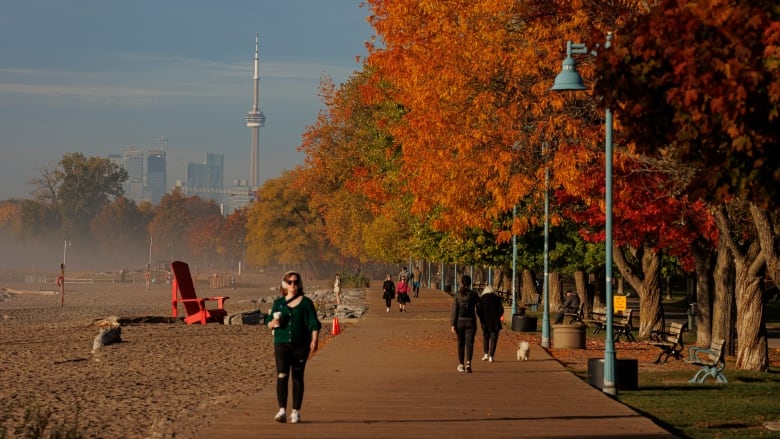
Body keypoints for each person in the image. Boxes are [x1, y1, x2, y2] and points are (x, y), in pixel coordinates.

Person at [265, 271, 322, 424]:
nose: (293, 285)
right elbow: (268, 322)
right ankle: (282, 410)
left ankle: (295, 411)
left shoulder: (306, 303)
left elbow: (313, 323)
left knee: (297, 377)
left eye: (296, 282)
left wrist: (314, 340)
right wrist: (273, 324)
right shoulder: (279, 303)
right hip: (281, 343)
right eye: (290, 282)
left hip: (300, 345)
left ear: (300, 284)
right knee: (282, 375)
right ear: (285, 284)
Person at [450, 275, 480, 373]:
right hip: (471, 321)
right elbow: (479, 308)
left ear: (462, 283)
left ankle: (461, 364)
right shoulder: (474, 294)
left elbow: (454, 310)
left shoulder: (457, 294)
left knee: (461, 343)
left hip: (459, 321)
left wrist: (452, 324)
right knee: (470, 343)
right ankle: (468, 363)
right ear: (470, 283)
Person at [478, 285, 504, 363]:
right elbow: (501, 310)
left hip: (485, 322)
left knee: (486, 337)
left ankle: (485, 353)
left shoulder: (481, 299)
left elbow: (478, 310)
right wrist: (498, 316)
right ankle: (491, 356)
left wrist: (481, 318)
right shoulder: (497, 298)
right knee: (494, 339)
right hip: (495, 322)